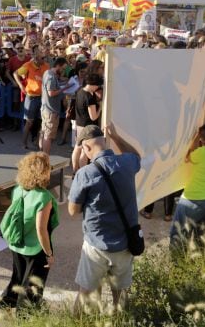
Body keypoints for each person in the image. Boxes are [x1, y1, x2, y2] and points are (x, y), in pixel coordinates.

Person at [68, 124, 141, 310]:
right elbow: (137, 156)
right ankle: (120, 322)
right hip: (125, 244)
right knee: (121, 294)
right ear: (104, 142)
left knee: (85, 294)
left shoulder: (85, 174)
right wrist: (116, 136)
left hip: (96, 245)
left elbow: (72, 211)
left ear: (86, 147)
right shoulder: (126, 163)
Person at [0, 152, 58, 309]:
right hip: (36, 247)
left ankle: (8, 300)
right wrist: (49, 254)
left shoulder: (18, 190)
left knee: (18, 274)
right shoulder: (44, 197)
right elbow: (41, 229)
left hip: (17, 243)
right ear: (42, 172)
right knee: (32, 283)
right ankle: (26, 315)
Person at [170, 122, 205, 247]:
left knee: (177, 234)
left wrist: (195, 138)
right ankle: (198, 264)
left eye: (203, 137)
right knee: (202, 235)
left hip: (193, 198)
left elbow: (188, 156)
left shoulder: (203, 153)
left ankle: (177, 264)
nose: (202, 140)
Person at [14, 46, 50, 150]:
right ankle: (24, 143)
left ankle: (38, 144)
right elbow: (15, 73)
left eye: (44, 58)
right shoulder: (28, 65)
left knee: (41, 121)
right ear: (36, 58)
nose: (44, 60)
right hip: (31, 97)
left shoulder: (46, 66)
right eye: (42, 58)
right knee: (29, 122)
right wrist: (21, 86)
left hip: (43, 97)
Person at [39, 57, 70, 155]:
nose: (63, 70)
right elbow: (51, 93)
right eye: (63, 68)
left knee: (44, 133)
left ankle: (42, 156)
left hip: (46, 109)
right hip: (50, 110)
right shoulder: (51, 76)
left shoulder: (48, 73)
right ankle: (45, 159)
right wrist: (65, 88)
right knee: (48, 136)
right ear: (58, 65)